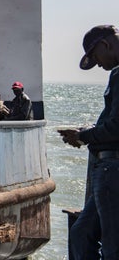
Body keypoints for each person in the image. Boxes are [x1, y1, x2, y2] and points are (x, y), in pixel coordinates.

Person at [61, 25, 119, 259]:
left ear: (105, 45)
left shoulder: (118, 74)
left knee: (112, 243)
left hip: (112, 169)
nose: (100, 64)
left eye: (96, 57)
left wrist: (83, 136)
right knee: (81, 232)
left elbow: (116, 128)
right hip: (107, 167)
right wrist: (86, 133)